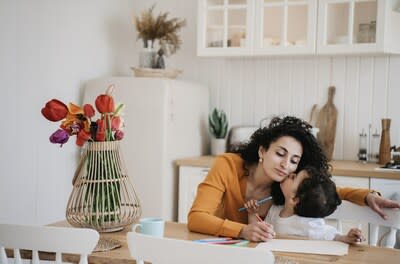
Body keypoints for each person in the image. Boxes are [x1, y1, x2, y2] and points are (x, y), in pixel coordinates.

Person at [187, 116, 400, 242]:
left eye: (294, 161)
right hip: (218, 251)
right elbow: (197, 218)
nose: (285, 165)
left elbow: (330, 190)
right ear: (262, 150)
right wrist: (242, 230)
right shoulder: (228, 165)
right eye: (280, 154)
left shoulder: (287, 187)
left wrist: (368, 195)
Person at [245, 166, 365, 244]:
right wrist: (252, 213)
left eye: (294, 177)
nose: (290, 174)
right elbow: (257, 232)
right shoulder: (274, 210)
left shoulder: (308, 224)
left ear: (294, 199)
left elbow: (331, 235)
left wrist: (346, 238)